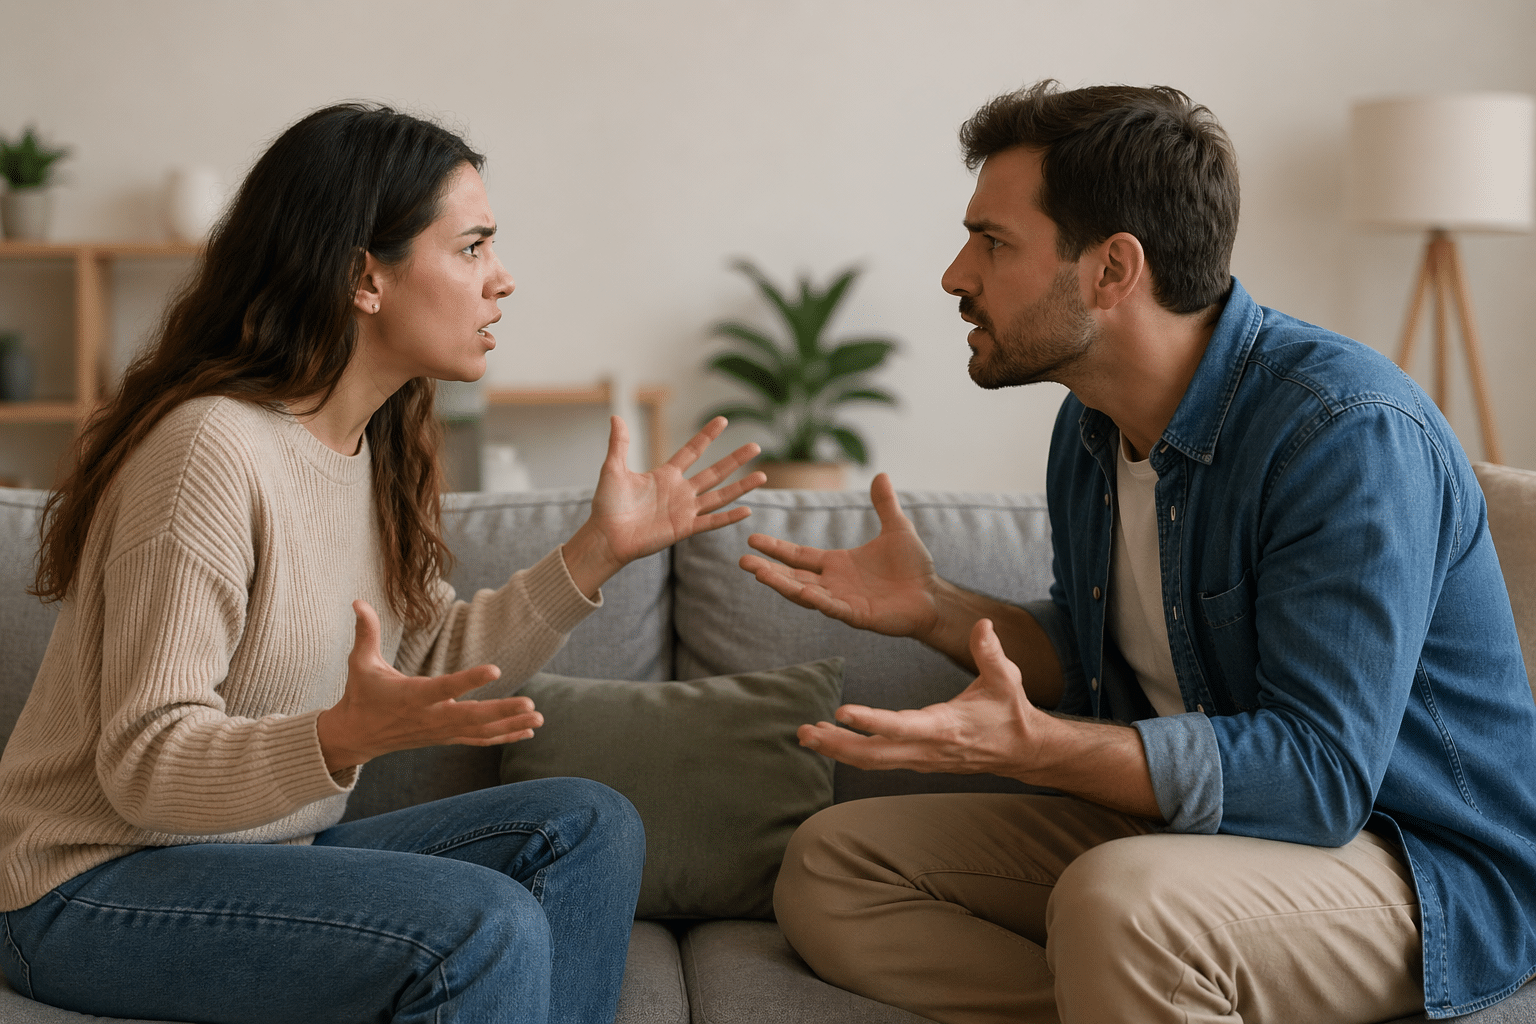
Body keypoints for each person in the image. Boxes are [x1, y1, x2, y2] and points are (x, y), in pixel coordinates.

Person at [741, 81, 1536, 1024]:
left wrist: (1043, 752)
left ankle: (1135, 975)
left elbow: (1320, 779)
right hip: (1190, 836)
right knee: (834, 864)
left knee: (1118, 904)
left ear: (1113, 270)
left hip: (1407, 859)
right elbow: (1105, 660)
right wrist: (937, 608)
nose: (956, 274)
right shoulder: (1089, 428)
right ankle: (1127, 998)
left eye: (992, 241)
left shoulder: (1344, 432)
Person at [0, 103, 764, 1024]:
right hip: (82, 887)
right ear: (366, 277)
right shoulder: (209, 452)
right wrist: (334, 739)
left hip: (258, 854)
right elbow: (142, 764)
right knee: (482, 925)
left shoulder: (370, 445)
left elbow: (430, 657)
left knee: (590, 827)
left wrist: (597, 552)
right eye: (473, 247)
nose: (503, 280)